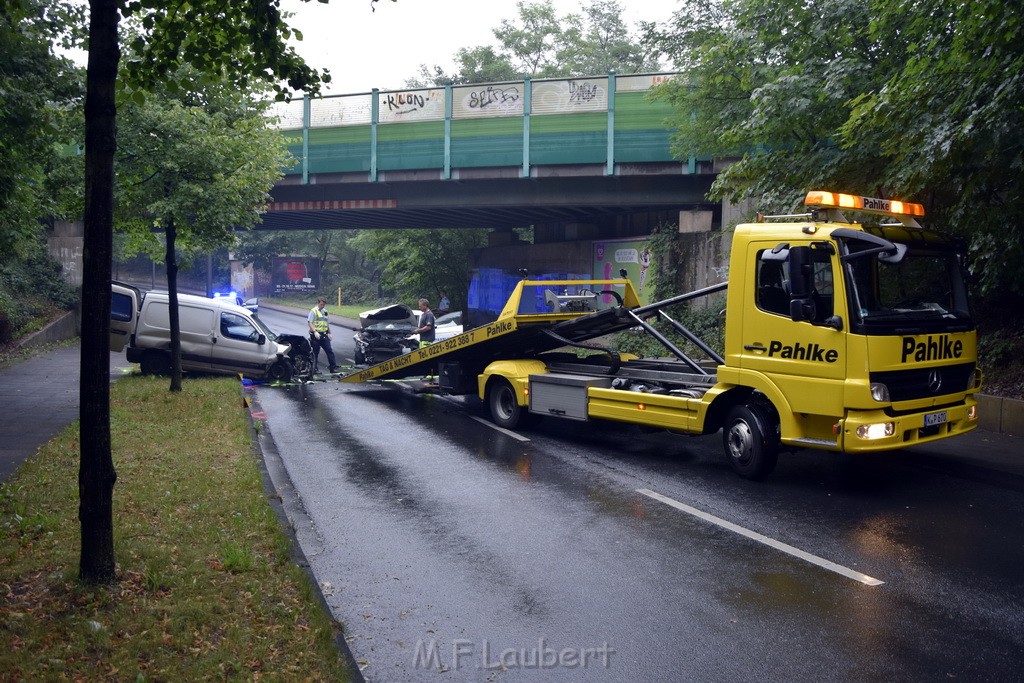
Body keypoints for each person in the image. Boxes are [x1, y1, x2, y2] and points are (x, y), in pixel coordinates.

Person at [307, 296, 339, 373]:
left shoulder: (325, 312)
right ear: (318, 303)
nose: (322, 306)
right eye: (321, 304)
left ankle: (333, 367)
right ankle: (314, 368)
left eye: (324, 304)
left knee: (329, 350)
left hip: (324, 334)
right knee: (315, 352)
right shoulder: (313, 311)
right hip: (315, 335)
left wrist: (330, 333)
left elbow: (327, 323)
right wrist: (314, 332)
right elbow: (309, 322)